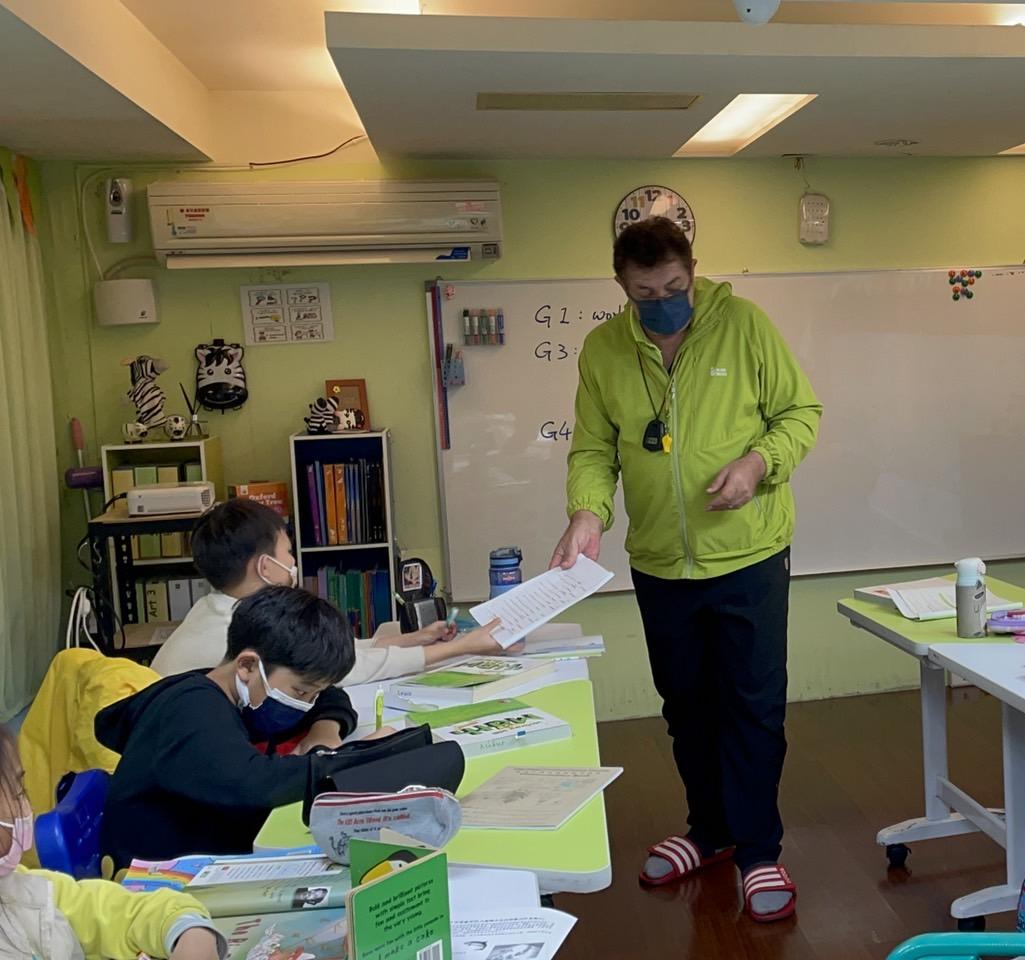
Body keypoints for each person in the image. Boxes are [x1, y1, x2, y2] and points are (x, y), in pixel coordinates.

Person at [550, 216, 821, 922]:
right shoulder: (604, 349)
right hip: (661, 564)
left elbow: (800, 414)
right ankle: (710, 831)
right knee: (686, 708)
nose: (664, 302)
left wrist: (759, 464)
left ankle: (759, 850)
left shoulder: (745, 326)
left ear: (693, 270)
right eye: (646, 293)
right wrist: (587, 513)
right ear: (622, 285)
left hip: (749, 556)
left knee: (753, 706)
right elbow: (593, 449)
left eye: (675, 287)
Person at [96, 587, 368, 869]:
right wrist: (354, 760)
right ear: (247, 666)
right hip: (154, 876)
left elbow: (331, 696)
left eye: (313, 694)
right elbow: (252, 783)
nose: (307, 704)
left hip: (204, 849)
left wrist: (325, 729)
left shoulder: (231, 689)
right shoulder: (190, 708)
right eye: (301, 692)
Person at [150, 497, 505, 683]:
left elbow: (329, 651)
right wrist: (464, 646)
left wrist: (414, 639)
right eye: (288, 552)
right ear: (265, 567)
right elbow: (342, 668)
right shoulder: (244, 631)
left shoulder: (215, 610)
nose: (292, 562)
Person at [0, 726, 224, 960]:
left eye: (22, 790)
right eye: (17, 794)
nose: (26, 807)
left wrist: (187, 930)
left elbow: (120, 911)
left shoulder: (24, 892)